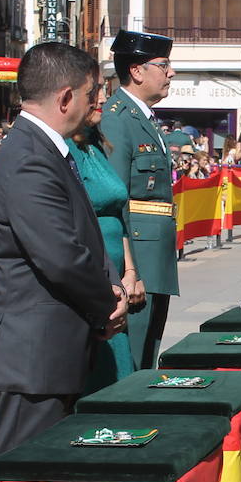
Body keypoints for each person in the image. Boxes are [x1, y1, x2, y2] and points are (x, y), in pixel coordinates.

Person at [0, 42, 126, 482]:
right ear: (65, 97)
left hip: (51, 340)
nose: (96, 105)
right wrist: (105, 301)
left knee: (39, 468)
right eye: (91, 94)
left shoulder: (45, 149)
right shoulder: (28, 156)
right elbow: (59, 254)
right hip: (32, 346)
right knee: (14, 471)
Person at [102, 29, 179, 370]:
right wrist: (128, 269)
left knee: (149, 353)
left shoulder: (143, 118)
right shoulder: (118, 119)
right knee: (133, 356)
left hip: (155, 254)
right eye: (163, 65)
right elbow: (116, 200)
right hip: (138, 258)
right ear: (136, 71)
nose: (171, 72)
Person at [68, 83, 140, 392]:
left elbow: (117, 214)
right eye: (94, 90)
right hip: (93, 279)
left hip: (116, 276)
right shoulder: (64, 148)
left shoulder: (94, 144)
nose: (102, 98)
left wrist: (131, 272)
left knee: (120, 376)